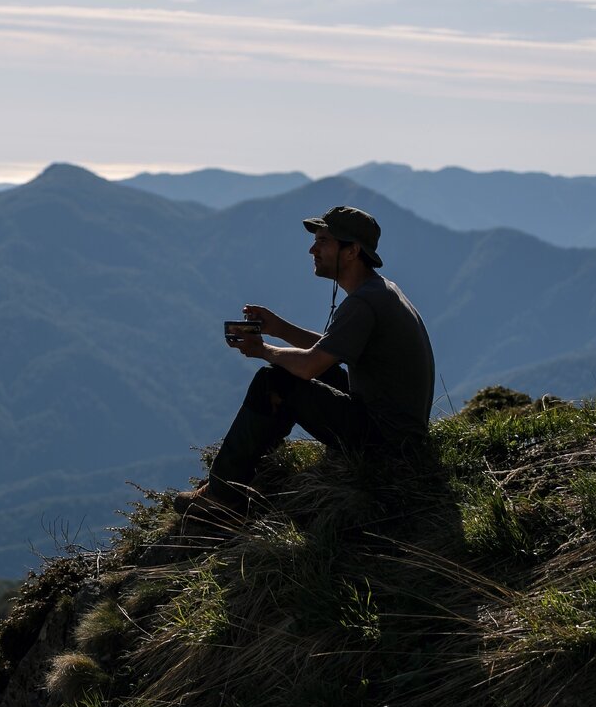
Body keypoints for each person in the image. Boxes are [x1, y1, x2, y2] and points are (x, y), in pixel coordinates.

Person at [174, 205, 435, 516]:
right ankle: (247, 475)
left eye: (323, 241)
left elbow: (312, 364)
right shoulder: (381, 291)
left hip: (386, 444)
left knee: (274, 381)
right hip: (398, 433)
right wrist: (278, 328)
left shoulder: (364, 303)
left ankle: (223, 495)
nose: (313, 249)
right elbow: (330, 350)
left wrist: (263, 349)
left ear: (351, 251)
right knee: (287, 373)